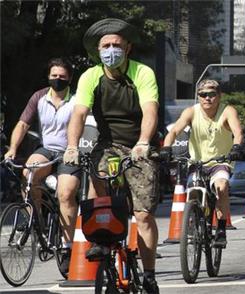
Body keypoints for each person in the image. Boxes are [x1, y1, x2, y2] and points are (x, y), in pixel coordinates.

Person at [64, 18, 160, 293]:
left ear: (127, 48)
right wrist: (72, 146)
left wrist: (143, 142)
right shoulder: (90, 76)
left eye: (116, 44)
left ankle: (150, 273)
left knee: (143, 215)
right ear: (98, 50)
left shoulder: (142, 73)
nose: (111, 50)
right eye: (105, 45)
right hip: (107, 145)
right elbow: (79, 114)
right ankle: (100, 240)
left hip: (138, 146)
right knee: (97, 177)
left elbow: (150, 110)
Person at [4, 58, 80, 274]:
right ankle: (36, 222)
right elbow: (22, 124)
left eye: (62, 77)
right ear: (48, 76)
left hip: (70, 151)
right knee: (28, 173)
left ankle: (67, 247)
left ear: (70, 79)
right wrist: (12, 149)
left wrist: (77, 149)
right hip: (46, 148)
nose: (58, 80)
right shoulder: (38, 97)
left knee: (66, 194)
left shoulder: (77, 100)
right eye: (54, 76)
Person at [161, 79, 245, 248]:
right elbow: (175, 131)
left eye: (212, 94)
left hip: (220, 162)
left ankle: (221, 229)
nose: (207, 98)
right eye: (203, 95)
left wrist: (237, 147)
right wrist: (166, 148)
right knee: (192, 191)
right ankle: (194, 222)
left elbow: (238, 132)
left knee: (221, 186)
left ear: (219, 96)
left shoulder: (227, 111)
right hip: (197, 163)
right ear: (198, 97)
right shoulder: (191, 112)